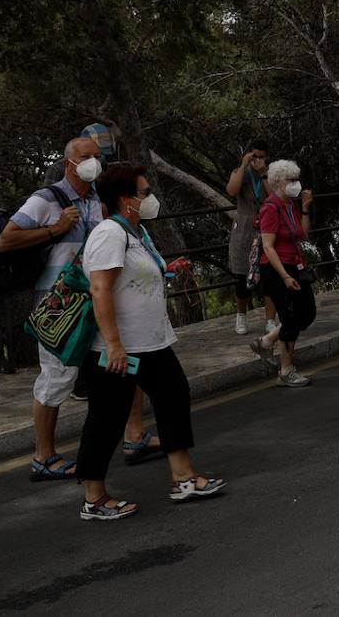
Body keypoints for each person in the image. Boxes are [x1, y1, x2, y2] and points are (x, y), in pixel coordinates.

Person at [0, 136, 160, 481]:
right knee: (57, 378)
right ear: (69, 162)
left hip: (99, 300)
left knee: (127, 364)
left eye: (97, 157)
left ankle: (134, 436)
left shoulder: (99, 198)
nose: (94, 163)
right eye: (86, 157)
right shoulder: (46, 199)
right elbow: (5, 240)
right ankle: (43, 457)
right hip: (62, 306)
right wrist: (55, 229)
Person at [77, 163, 225, 520]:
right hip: (118, 348)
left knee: (174, 397)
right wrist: (113, 344)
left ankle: (184, 477)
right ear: (126, 199)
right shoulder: (110, 233)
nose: (150, 198)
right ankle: (94, 498)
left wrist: (165, 269)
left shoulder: (136, 233)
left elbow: (134, 278)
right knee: (107, 419)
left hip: (151, 342)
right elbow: (100, 289)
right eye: (144, 193)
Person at [248, 160, 317, 386]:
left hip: (294, 264)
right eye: (292, 180)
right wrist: (285, 276)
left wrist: (305, 208)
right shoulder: (270, 207)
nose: (296, 184)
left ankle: (267, 341)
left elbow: (302, 234)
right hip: (277, 268)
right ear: (278, 182)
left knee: (306, 313)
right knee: (290, 318)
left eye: (297, 180)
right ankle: (286, 370)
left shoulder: (291, 205)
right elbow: (268, 247)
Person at [225, 139, 277, 336]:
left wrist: (264, 173)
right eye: (254, 156)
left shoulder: (271, 174)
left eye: (262, 157)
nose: (258, 160)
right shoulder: (240, 172)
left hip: (267, 227)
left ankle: (270, 320)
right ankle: (241, 317)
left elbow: (274, 197)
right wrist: (243, 165)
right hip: (245, 229)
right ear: (248, 154)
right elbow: (231, 190)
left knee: (269, 276)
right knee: (242, 275)